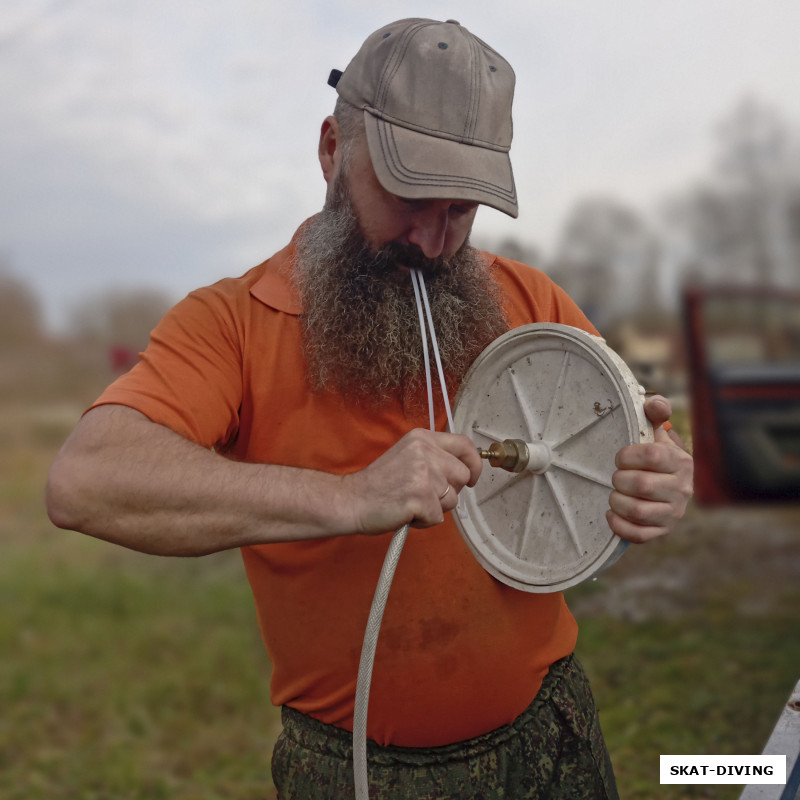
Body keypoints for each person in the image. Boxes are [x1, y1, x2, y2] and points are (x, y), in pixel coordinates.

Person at [46, 18, 693, 800]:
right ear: (332, 150)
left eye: (461, 210)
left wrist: (662, 478)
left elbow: (633, 438)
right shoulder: (232, 323)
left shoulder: (528, 302)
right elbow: (86, 481)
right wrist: (350, 496)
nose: (432, 240)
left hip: (552, 731)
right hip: (358, 768)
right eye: (410, 195)